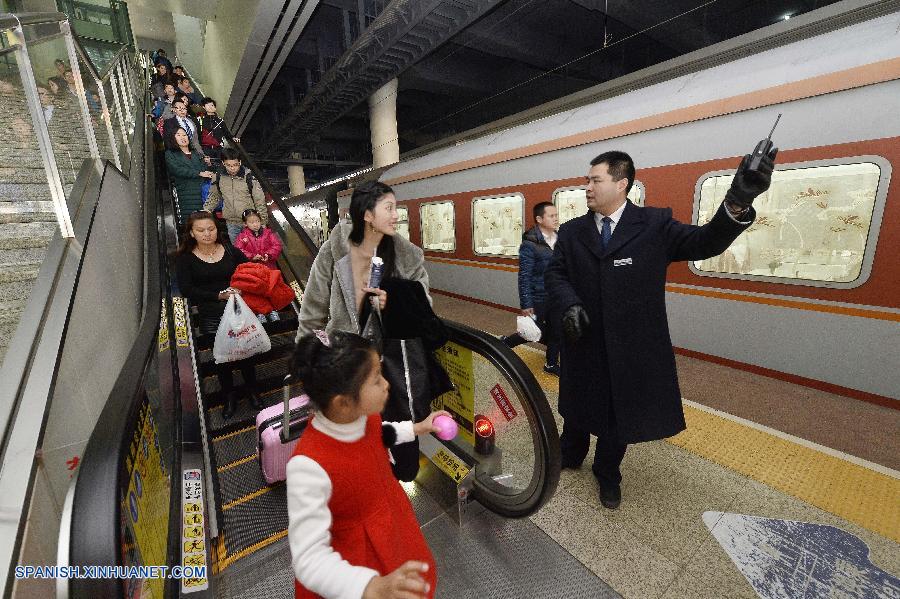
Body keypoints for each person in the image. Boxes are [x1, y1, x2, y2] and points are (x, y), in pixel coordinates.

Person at [545, 148, 776, 510]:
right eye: (587, 180)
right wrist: (569, 303)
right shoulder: (573, 232)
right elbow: (556, 274)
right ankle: (571, 454)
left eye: (595, 180)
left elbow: (705, 242)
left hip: (630, 346)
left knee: (616, 412)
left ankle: (607, 473)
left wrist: (737, 202)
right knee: (577, 405)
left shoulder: (654, 226)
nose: (586, 187)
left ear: (621, 184)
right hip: (584, 339)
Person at [286, 330, 444, 598]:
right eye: (376, 379)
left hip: (392, 523)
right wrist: (368, 586)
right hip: (356, 562)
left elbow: (382, 434)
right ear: (343, 403)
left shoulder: (362, 417)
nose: (386, 385)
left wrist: (418, 428)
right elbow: (308, 558)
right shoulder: (308, 466)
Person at [175, 211, 262, 419]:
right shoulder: (185, 258)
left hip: (239, 312)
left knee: (247, 352)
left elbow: (250, 270)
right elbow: (187, 289)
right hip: (211, 316)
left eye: (211, 229)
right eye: (201, 230)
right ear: (192, 233)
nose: (207, 234)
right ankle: (229, 397)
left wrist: (242, 286)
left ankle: (252, 391)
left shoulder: (230, 251)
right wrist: (218, 295)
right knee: (222, 359)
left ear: (217, 229)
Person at [501, 201, 561, 376]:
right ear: (539, 219)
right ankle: (506, 343)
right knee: (531, 330)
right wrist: (526, 303)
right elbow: (524, 276)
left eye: (556, 215)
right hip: (539, 297)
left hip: (556, 295)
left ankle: (550, 364)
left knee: (557, 329)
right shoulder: (530, 244)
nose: (556, 218)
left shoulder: (559, 239)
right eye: (551, 215)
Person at [203, 148, 267, 242]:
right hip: (231, 223)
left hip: (250, 222)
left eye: (235, 165)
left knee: (253, 251)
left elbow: (259, 200)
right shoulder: (218, 177)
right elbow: (214, 196)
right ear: (223, 163)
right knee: (237, 252)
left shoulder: (249, 177)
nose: (232, 168)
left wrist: (263, 221)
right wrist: (206, 211)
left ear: (240, 162)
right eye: (228, 165)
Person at [165, 127, 215, 223]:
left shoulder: (196, 153)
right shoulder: (170, 154)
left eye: (184, 135)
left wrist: (208, 165)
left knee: (205, 221)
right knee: (191, 222)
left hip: (203, 192)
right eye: (178, 135)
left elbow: (204, 169)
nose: (182, 137)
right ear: (173, 138)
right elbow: (176, 170)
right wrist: (198, 173)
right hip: (186, 193)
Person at [233, 208, 282, 273]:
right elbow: (238, 250)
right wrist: (252, 256)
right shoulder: (242, 237)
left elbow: (277, 245)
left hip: (270, 267)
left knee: (273, 281)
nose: (255, 224)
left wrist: (268, 254)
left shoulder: (268, 233)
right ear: (245, 224)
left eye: (257, 221)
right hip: (253, 270)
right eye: (251, 222)